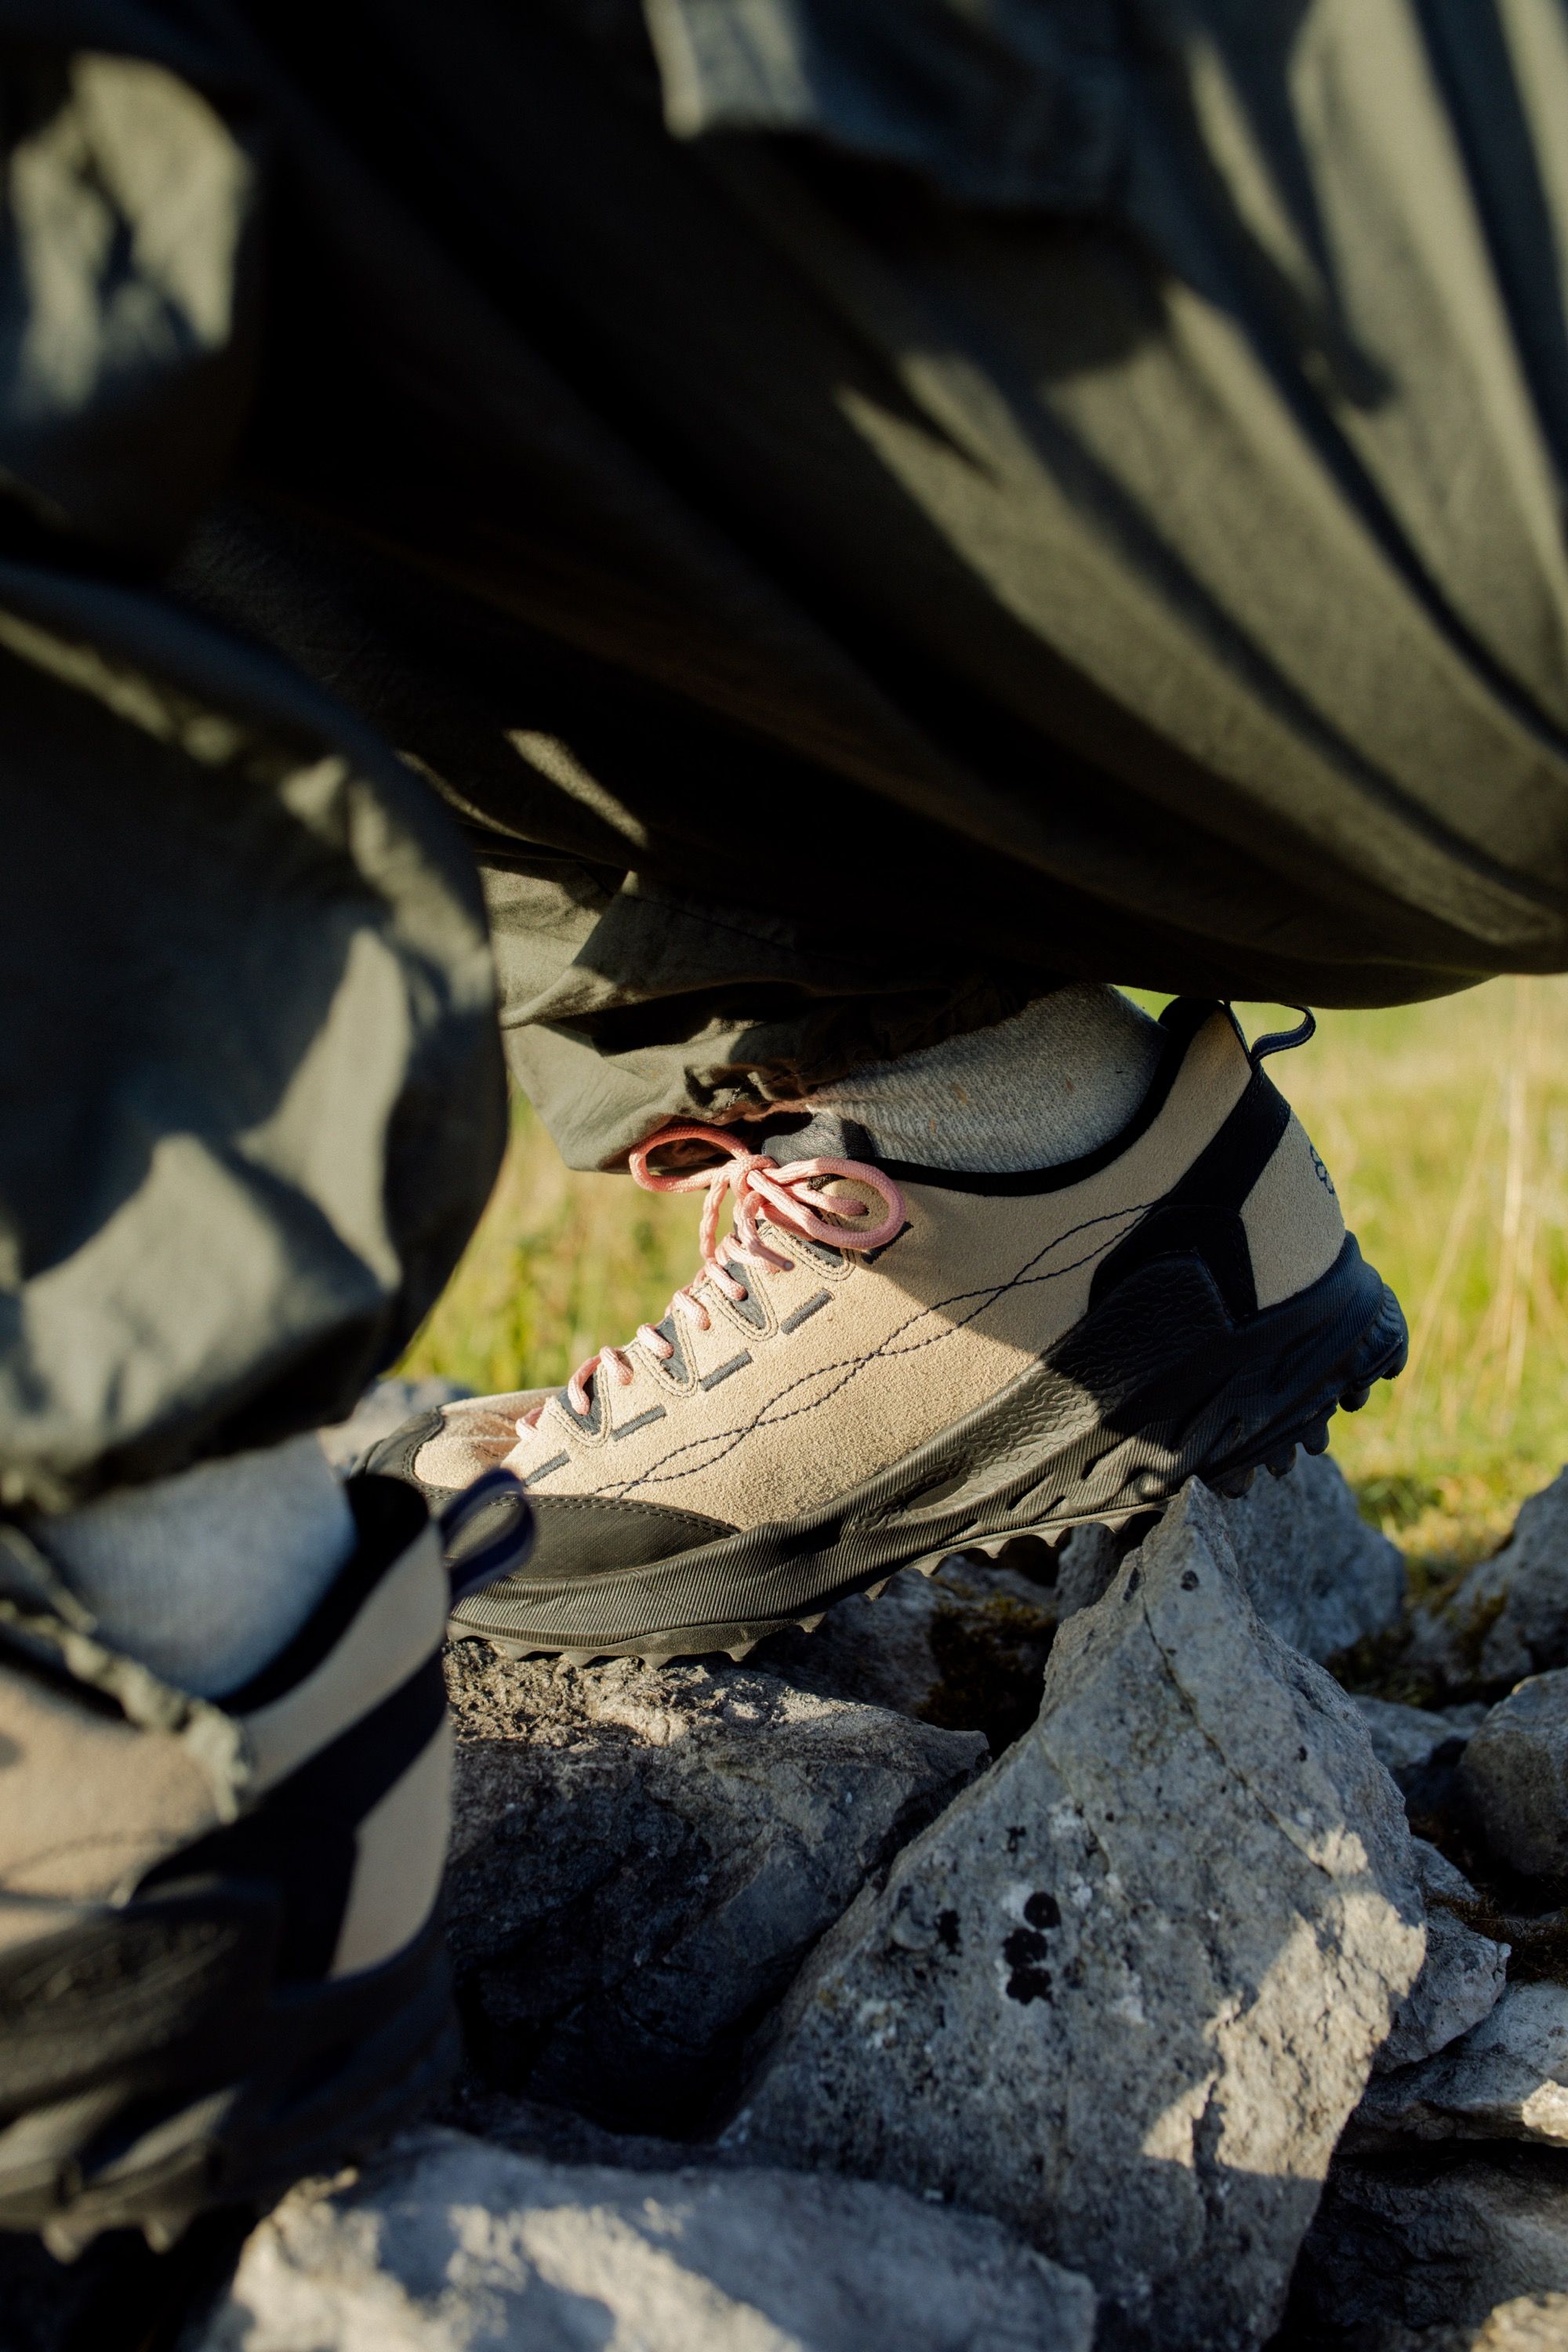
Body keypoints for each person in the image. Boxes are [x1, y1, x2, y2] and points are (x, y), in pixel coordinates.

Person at [3, 0, 1565, 2255]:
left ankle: (121, 1671)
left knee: (120, 192)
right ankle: (1027, 1156)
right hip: (1337, 346)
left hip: (1413, 328)